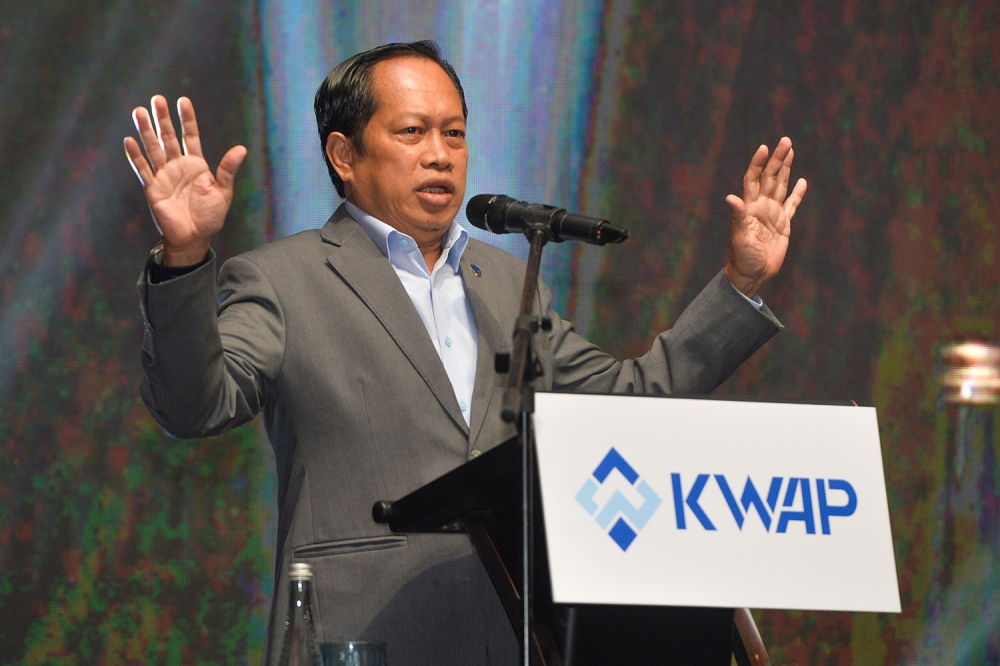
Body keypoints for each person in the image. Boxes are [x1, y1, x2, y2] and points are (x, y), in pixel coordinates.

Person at [124, 41, 806, 666]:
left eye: (454, 133)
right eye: (412, 132)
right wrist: (186, 256)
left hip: (512, 631)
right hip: (364, 634)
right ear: (344, 155)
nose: (441, 154)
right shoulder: (281, 278)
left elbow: (630, 399)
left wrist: (741, 283)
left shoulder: (508, 279)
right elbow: (191, 405)